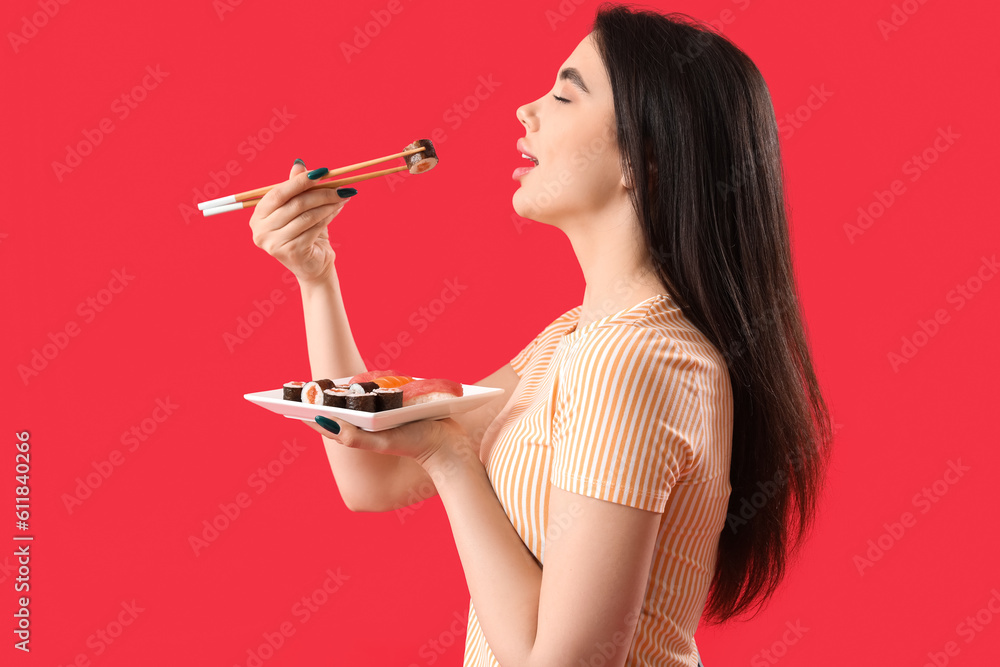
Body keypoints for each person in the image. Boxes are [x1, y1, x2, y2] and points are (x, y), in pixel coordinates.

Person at [247, 4, 832, 665]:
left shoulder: (634, 358)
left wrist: (449, 456)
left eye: (563, 93)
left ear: (643, 159)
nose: (526, 111)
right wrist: (316, 275)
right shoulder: (577, 338)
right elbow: (370, 482)